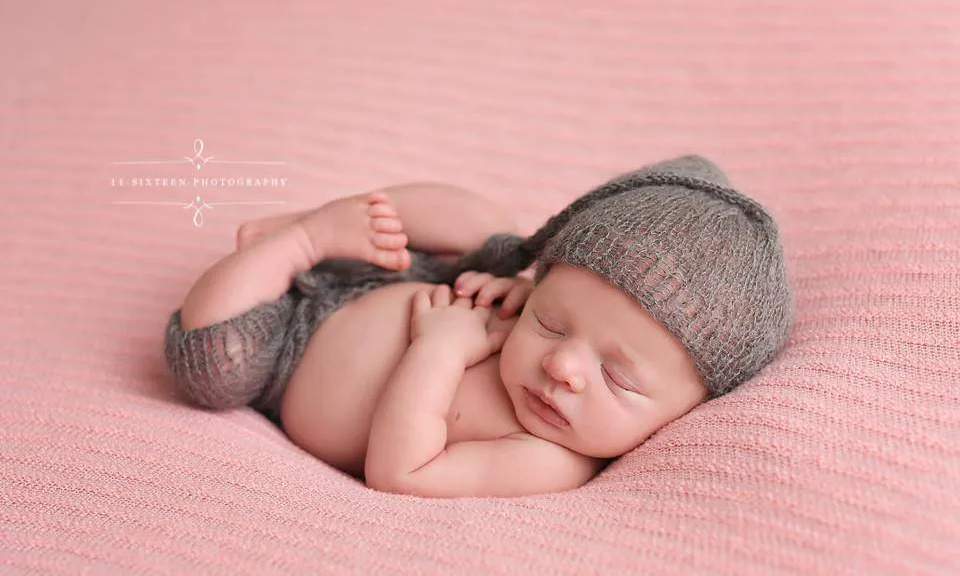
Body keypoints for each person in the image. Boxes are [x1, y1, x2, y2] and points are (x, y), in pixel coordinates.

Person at [164, 155, 793, 498]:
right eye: (551, 322)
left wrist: (437, 352)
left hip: (281, 361)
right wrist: (513, 282)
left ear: (686, 412)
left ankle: (298, 244)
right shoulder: (539, 306)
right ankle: (330, 221)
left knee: (216, 364)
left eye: (619, 377)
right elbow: (525, 284)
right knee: (490, 227)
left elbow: (402, 472)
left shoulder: (548, 460)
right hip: (388, 277)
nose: (564, 367)